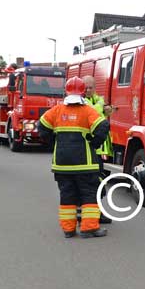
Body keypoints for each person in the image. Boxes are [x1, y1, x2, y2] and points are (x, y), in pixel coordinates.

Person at [38, 76, 110, 239]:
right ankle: (89, 228)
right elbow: (103, 126)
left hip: (62, 164)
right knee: (89, 195)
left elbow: (41, 126)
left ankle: (69, 229)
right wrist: (94, 143)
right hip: (85, 164)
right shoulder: (87, 111)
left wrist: (54, 143)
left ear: (66, 92)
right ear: (83, 93)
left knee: (67, 196)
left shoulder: (57, 110)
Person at [83, 75, 113, 224]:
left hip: (98, 150)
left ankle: (96, 213)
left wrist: (108, 108)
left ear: (95, 87)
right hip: (88, 149)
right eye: (85, 87)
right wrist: (102, 105)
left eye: (90, 87)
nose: (88, 90)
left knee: (98, 182)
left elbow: (104, 113)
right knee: (93, 183)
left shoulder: (98, 100)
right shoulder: (83, 101)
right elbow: (92, 111)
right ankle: (93, 215)